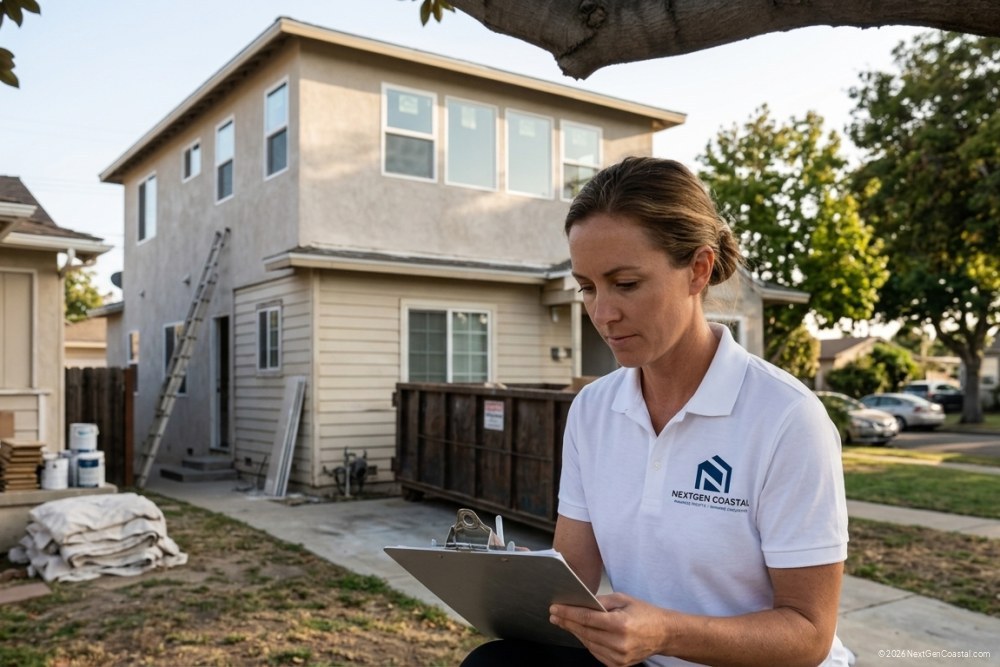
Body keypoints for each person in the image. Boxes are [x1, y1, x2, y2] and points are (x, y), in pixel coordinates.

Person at [462, 157, 850, 667]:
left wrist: (664, 632)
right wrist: (509, 576)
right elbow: (573, 577)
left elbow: (808, 634)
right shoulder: (593, 410)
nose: (603, 313)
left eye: (625, 284)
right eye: (587, 287)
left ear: (698, 270)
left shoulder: (786, 418)